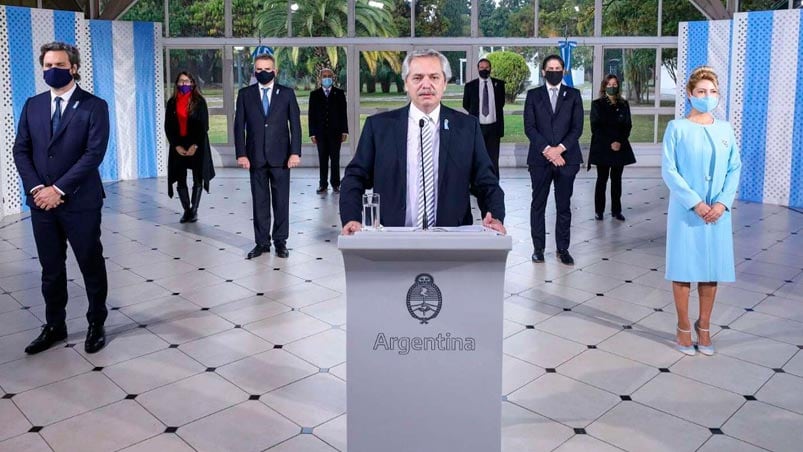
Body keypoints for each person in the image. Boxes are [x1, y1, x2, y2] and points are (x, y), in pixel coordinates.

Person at [340, 49, 506, 235]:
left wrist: (496, 216)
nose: (426, 85)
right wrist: (352, 217)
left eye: (434, 77)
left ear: (445, 83)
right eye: (417, 78)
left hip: (452, 240)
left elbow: (486, 183)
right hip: (391, 238)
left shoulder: (467, 127)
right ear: (406, 84)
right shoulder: (378, 127)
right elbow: (354, 178)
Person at [12, 42, 109, 354]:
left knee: (89, 263)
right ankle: (55, 325)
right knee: (51, 269)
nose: (52, 70)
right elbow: (21, 150)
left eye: (59, 65)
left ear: (74, 67)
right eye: (47, 65)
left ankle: (96, 322)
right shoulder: (33, 105)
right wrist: (38, 189)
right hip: (42, 204)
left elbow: (93, 154)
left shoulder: (94, 106)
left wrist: (59, 189)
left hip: (80, 202)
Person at [662, 66, 741, 356]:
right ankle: (683, 327)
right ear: (690, 94)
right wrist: (695, 202)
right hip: (687, 212)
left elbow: (734, 168)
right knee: (683, 269)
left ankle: (704, 326)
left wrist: (721, 203)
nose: (708, 97)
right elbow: (670, 171)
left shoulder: (725, 129)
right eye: (701, 92)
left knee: (711, 270)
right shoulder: (677, 129)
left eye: (712, 92)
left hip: (718, 213)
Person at [234, 53, 301, 259]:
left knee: (281, 201)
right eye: (259, 70)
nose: (263, 73)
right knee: (259, 202)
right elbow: (239, 127)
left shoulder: (287, 94)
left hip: (281, 158)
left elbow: (295, 126)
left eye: (267, 69)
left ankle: (280, 242)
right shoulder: (245, 94)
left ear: (275, 71)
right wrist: (241, 154)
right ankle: (262, 243)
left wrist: (295, 152)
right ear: (254, 71)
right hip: (255, 157)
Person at [523, 55, 583, 265]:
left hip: (567, 160)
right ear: (543, 71)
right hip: (540, 161)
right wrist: (549, 151)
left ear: (563, 71)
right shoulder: (533, 95)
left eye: (558, 68)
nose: (554, 71)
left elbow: (577, 128)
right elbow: (529, 128)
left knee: (564, 206)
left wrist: (560, 150)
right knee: (538, 204)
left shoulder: (574, 95)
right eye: (551, 68)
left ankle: (562, 249)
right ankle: (538, 248)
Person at [164, 71, 215, 223]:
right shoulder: (172, 102)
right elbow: (168, 126)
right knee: (180, 178)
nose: (184, 84)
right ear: (176, 84)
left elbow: (204, 125)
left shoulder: (199, 101)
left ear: (192, 83)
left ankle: (194, 210)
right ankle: (186, 210)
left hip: (196, 144)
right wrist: (176, 145)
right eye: (181, 81)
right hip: (179, 145)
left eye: (187, 81)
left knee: (197, 178)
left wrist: (195, 145)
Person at [589, 74, 636, 221]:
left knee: (617, 180)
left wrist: (619, 142)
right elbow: (595, 127)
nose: (612, 87)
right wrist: (610, 142)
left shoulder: (623, 104)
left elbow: (627, 125)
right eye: (609, 84)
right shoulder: (597, 104)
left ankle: (616, 211)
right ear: (604, 86)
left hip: (619, 147)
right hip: (603, 147)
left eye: (615, 84)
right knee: (602, 179)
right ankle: (599, 211)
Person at [463, 58, 505, 219]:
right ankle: (475, 186)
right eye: (481, 67)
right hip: (478, 128)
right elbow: (467, 104)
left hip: (493, 127)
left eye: (487, 68)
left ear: (491, 69)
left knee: (493, 159)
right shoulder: (471, 86)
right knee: (477, 158)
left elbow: (500, 104)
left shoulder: (498, 85)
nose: (484, 70)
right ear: (477, 69)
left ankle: (494, 186)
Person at [309, 68, 348, 194]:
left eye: (329, 76)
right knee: (323, 160)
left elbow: (343, 113)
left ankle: (336, 184)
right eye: (324, 76)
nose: (327, 78)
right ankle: (323, 184)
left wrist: (344, 131)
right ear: (320, 78)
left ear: (333, 77)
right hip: (320, 133)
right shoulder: (314, 95)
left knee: (335, 160)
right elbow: (311, 115)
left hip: (335, 133)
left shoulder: (339, 93)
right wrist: (312, 133)